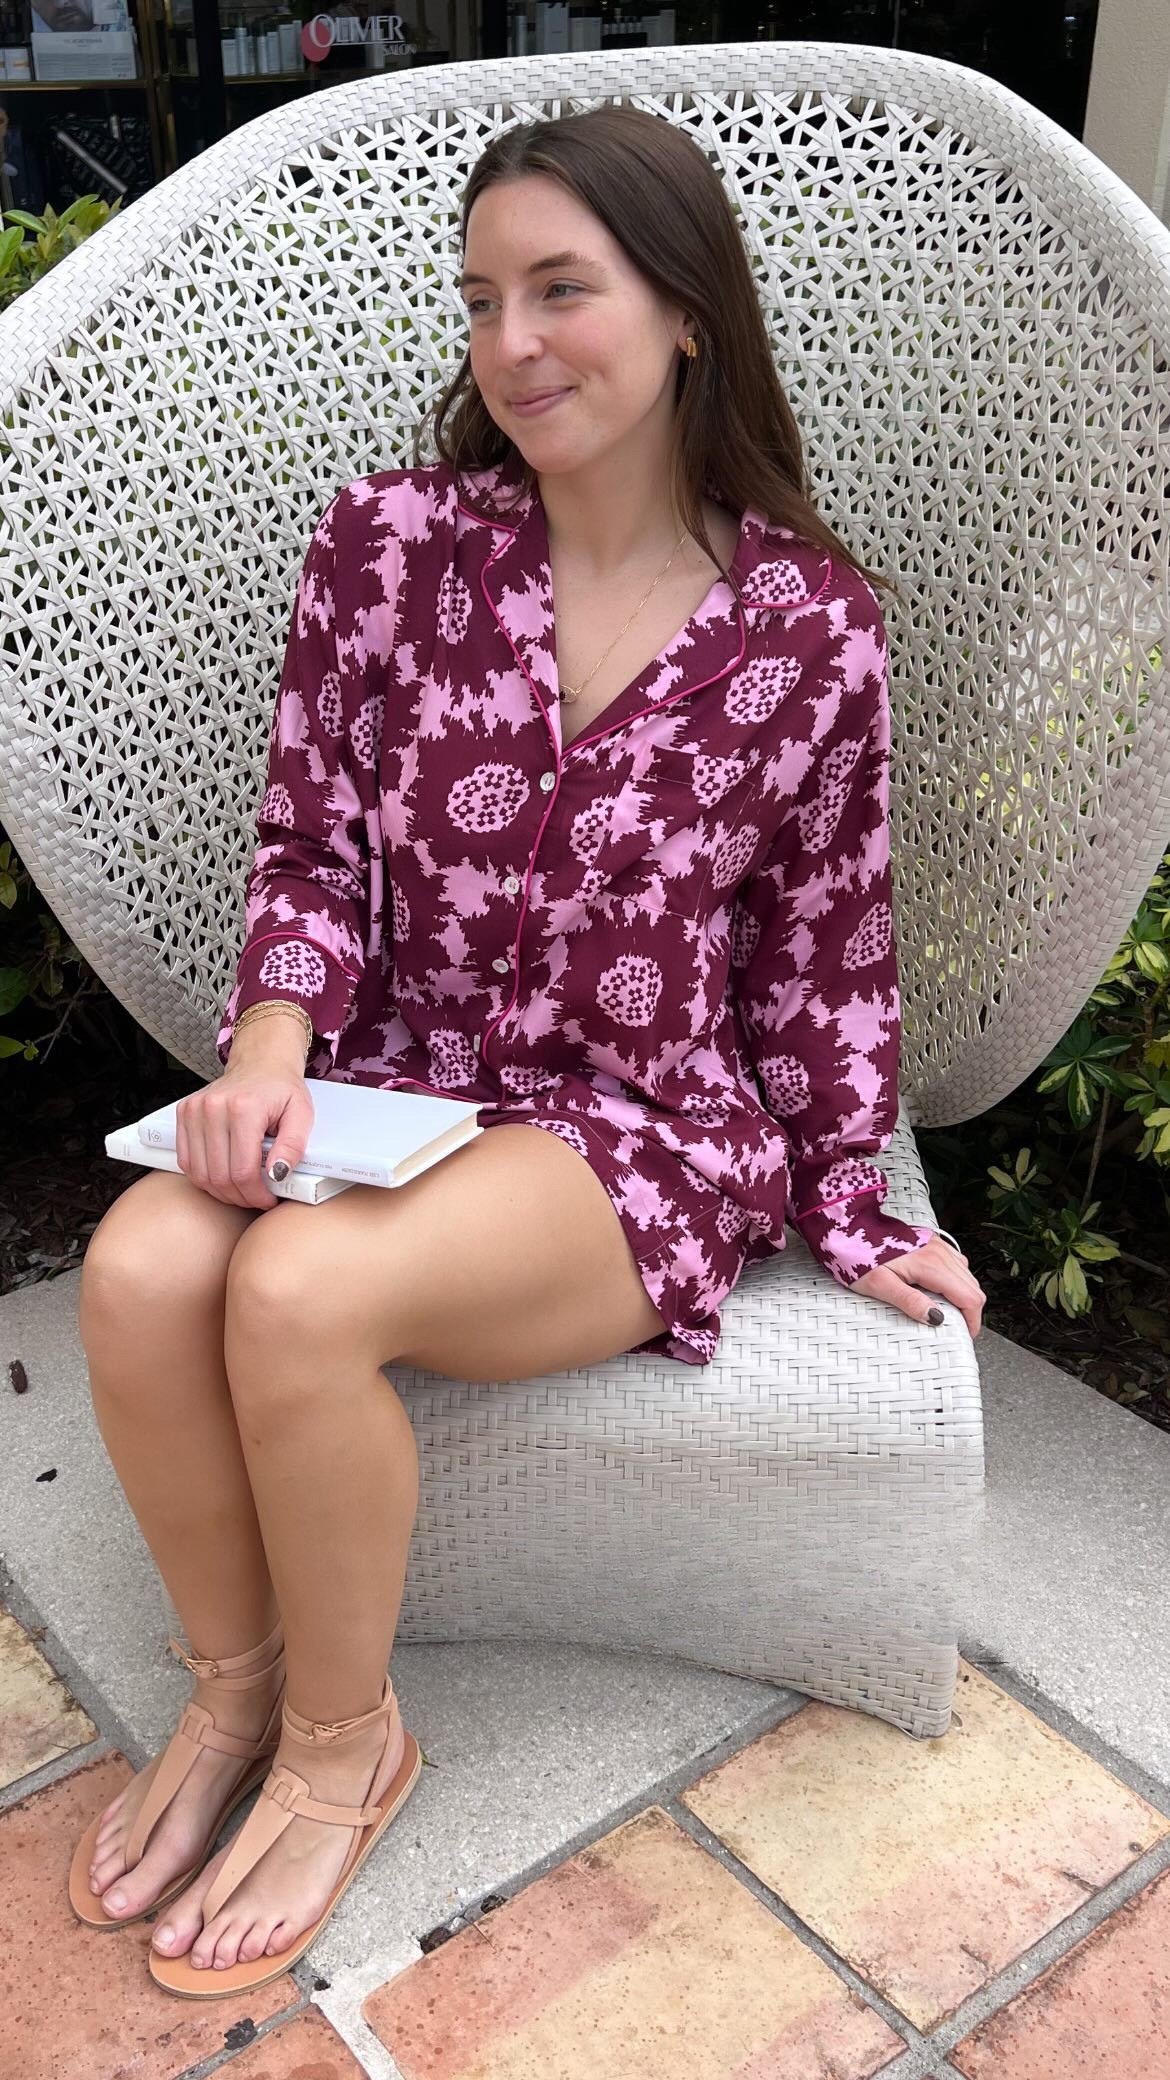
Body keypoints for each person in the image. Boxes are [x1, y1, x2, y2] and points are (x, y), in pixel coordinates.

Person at [71, 102, 986, 1995]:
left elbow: (824, 947)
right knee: (144, 1266)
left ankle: (347, 1748)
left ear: (685, 314)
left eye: (562, 289)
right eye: (483, 299)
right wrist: (268, 1049)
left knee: (299, 1293)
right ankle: (237, 1695)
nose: (513, 343)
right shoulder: (390, 547)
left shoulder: (808, 629)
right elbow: (310, 843)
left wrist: (857, 1201)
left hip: (634, 1127)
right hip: (391, 1078)